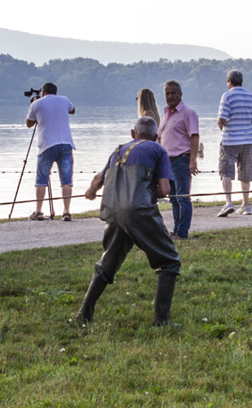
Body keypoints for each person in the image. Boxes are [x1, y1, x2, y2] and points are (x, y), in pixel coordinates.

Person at [75, 116, 181, 326]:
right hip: (138, 212)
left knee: (108, 263)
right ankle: (162, 321)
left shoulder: (117, 151)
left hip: (113, 212)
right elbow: (164, 189)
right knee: (169, 261)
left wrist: (90, 192)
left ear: (133, 134)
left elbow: (97, 180)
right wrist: (147, 193)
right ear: (156, 137)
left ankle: (84, 315)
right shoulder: (158, 150)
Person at [215, 69, 252, 216]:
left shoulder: (227, 96)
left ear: (229, 81)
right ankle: (245, 205)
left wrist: (221, 127)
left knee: (226, 171)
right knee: (245, 172)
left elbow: (222, 118)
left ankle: (228, 203)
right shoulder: (251, 95)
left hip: (230, 140)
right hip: (248, 140)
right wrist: (250, 116)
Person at [24, 82, 77, 222]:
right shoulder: (64, 100)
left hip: (47, 145)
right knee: (66, 179)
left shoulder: (37, 104)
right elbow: (72, 110)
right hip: (66, 144)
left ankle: (39, 212)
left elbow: (29, 124)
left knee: (41, 179)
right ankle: (66, 212)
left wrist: (36, 107)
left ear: (43, 91)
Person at [158, 79, 203, 239]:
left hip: (182, 160)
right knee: (173, 198)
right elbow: (160, 137)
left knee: (182, 197)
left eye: (173, 93)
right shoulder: (165, 113)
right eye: (167, 94)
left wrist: (193, 161)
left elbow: (194, 136)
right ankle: (176, 230)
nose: (170, 96)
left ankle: (182, 233)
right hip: (167, 162)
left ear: (180, 94)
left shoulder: (188, 113)